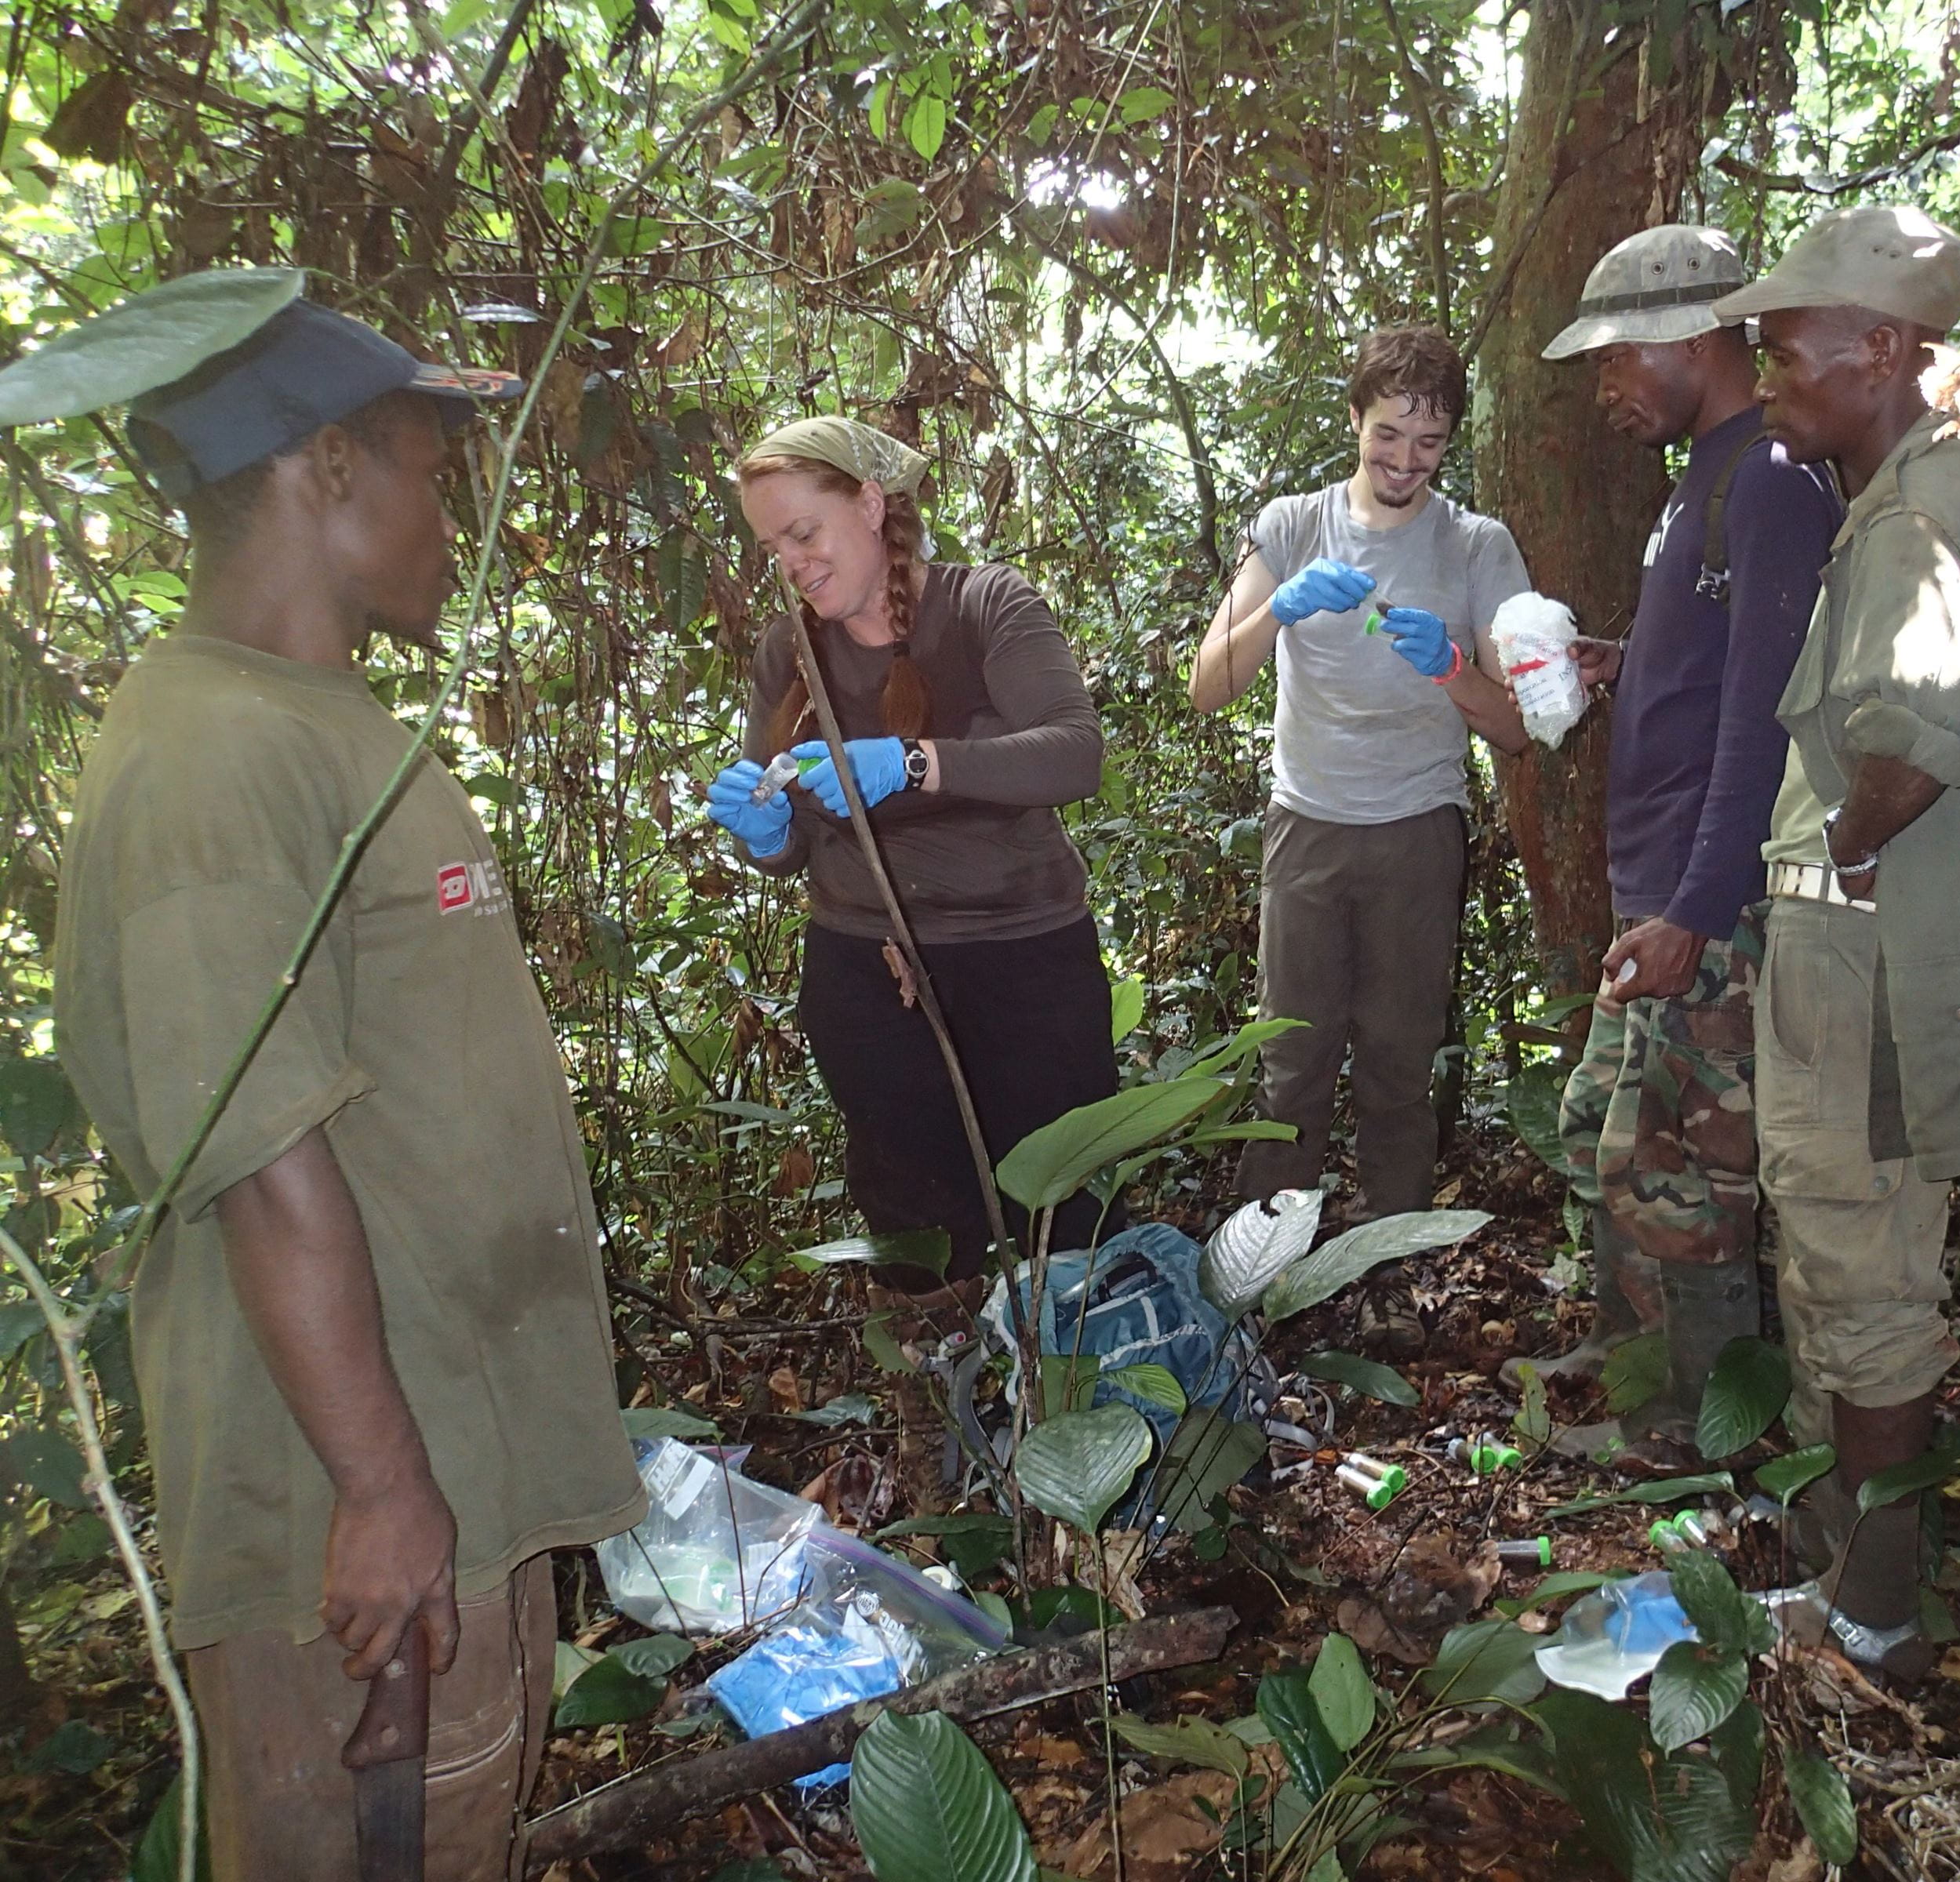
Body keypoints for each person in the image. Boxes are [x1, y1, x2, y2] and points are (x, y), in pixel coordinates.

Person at [51, 289, 646, 1877]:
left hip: (454, 1449)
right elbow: (257, 1153)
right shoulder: (213, 756)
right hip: (356, 1515)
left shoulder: (317, 721)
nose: (452, 516)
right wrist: (382, 1492)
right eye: (425, 470)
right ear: (326, 471)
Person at [1714, 207, 1960, 1675]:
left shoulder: (1929, 509)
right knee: (1838, 1263)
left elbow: (1923, 742)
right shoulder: (1924, 494)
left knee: (1863, 1282)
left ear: (1879, 350)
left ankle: (1869, 1614)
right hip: (1862, 952)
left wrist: (1832, 854)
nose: (1766, 378)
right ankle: (1844, 1570)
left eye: (1785, 350)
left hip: (1864, 963)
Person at [1529, 225, 1844, 1456]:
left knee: (1688, 1178)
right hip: (1661, 884)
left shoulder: (1766, 474)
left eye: (1616, 353)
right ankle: (1637, 1367)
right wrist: (1627, 661)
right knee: (1614, 1140)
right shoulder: (1705, 476)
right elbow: (1717, 664)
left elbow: (1769, 712)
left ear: (1690, 336)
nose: (1607, 382)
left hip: (1706, 901)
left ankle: (1694, 1433)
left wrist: (1701, 909)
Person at [704, 416, 1118, 1291]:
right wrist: (766, 835)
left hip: (1022, 961)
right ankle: (948, 1405)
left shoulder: (983, 606)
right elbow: (784, 838)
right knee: (917, 1225)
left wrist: (915, 763)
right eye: (772, 545)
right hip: (864, 972)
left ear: (868, 504)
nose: (791, 562)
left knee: (1061, 1217)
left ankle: (1078, 1404)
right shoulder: (791, 650)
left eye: (804, 533)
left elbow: (1074, 752)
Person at [1189, 326, 1532, 1236]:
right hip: (1307, 822)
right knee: (1289, 1062)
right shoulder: (1293, 525)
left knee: (1397, 1059)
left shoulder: (1474, 546)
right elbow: (1206, 686)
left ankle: (1396, 1257)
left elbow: (1514, 727)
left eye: (1427, 443)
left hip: (1418, 828)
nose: (1404, 461)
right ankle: (1262, 1264)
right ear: (1354, 420)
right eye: (1387, 434)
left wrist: (1453, 666)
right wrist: (1278, 606)